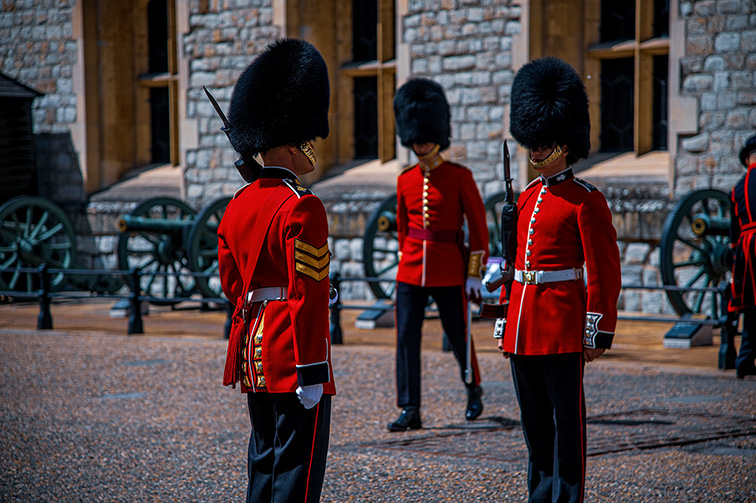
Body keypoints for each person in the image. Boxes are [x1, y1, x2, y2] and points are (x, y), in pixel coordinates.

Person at [216, 38, 335, 503]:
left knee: (263, 463)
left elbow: (233, 285)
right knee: (296, 475)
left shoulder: (237, 205)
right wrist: (311, 370)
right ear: (290, 141)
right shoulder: (302, 206)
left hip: (253, 352)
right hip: (292, 354)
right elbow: (305, 294)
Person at [497, 57, 621, 502]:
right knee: (534, 428)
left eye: (543, 142)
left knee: (567, 428)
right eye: (532, 141)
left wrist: (597, 329)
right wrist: (504, 320)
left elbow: (603, 270)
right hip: (523, 325)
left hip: (563, 326)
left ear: (564, 145)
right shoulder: (527, 197)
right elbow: (514, 265)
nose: (534, 150)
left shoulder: (585, 201)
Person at [387, 77, 489, 431]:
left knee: (459, 333)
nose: (422, 142)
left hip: (449, 267)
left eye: (426, 135)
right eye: (416, 136)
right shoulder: (405, 179)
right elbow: (403, 228)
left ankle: (473, 389)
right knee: (405, 338)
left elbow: (478, 229)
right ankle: (410, 406)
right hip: (411, 269)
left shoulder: (460, 177)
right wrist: (406, 257)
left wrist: (474, 272)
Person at [729, 134, 756, 379]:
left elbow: (733, 231)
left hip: (746, 249)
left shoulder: (737, 187)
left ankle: (744, 359)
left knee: (751, 307)